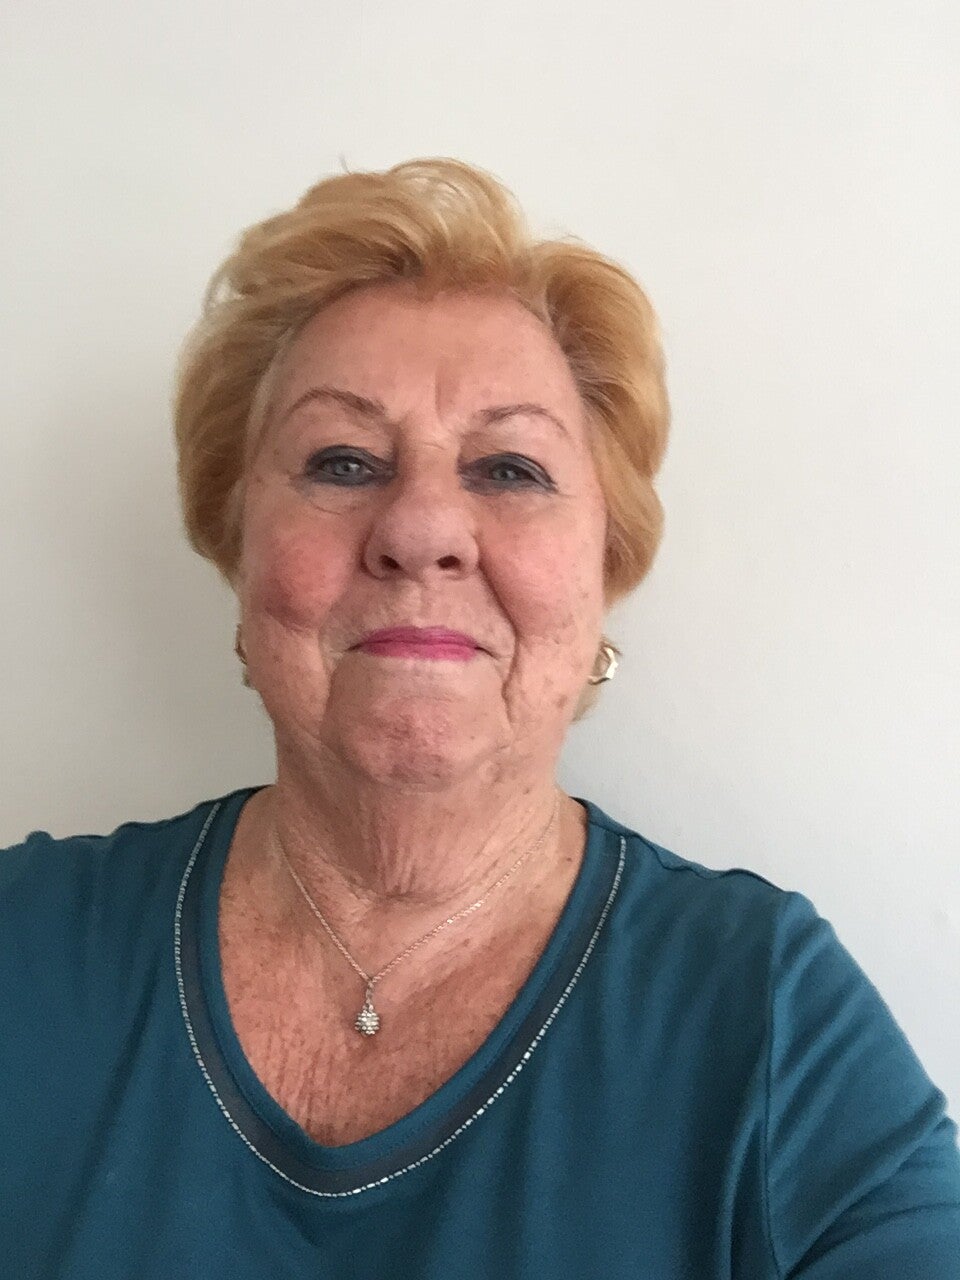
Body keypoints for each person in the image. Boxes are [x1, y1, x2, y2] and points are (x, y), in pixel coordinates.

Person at [1, 158, 958, 1280]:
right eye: (342, 461)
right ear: (239, 548)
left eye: (509, 469)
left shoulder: (766, 1019)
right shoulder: (26, 945)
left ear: (604, 568)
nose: (421, 530)